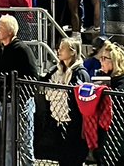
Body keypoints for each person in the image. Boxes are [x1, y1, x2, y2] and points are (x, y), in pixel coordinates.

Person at [0, 14, 40, 166]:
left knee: (25, 141)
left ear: (9, 31)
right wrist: (0, 95)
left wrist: (20, 98)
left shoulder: (22, 49)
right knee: (7, 142)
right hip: (4, 101)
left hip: (20, 102)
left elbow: (33, 77)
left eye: (0, 28)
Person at [42, 37, 90, 166]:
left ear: (72, 52)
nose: (59, 50)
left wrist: (57, 92)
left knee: (73, 157)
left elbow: (77, 96)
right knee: (61, 157)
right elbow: (45, 88)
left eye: (63, 48)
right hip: (56, 119)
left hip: (74, 122)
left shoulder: (80, 73)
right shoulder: (55, 70)